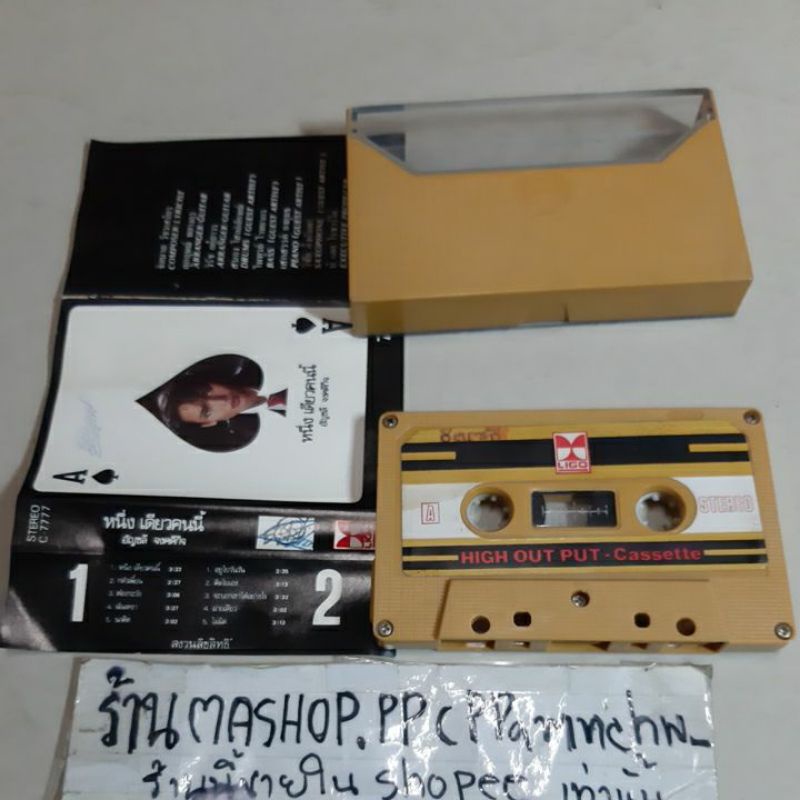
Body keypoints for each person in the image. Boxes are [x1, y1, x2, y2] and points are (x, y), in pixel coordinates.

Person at [137, 354, 287, 452]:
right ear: (209, 423)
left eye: (206, 391)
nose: (221, 400)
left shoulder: (260, 364)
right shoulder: (265, 442)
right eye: (207, 411)